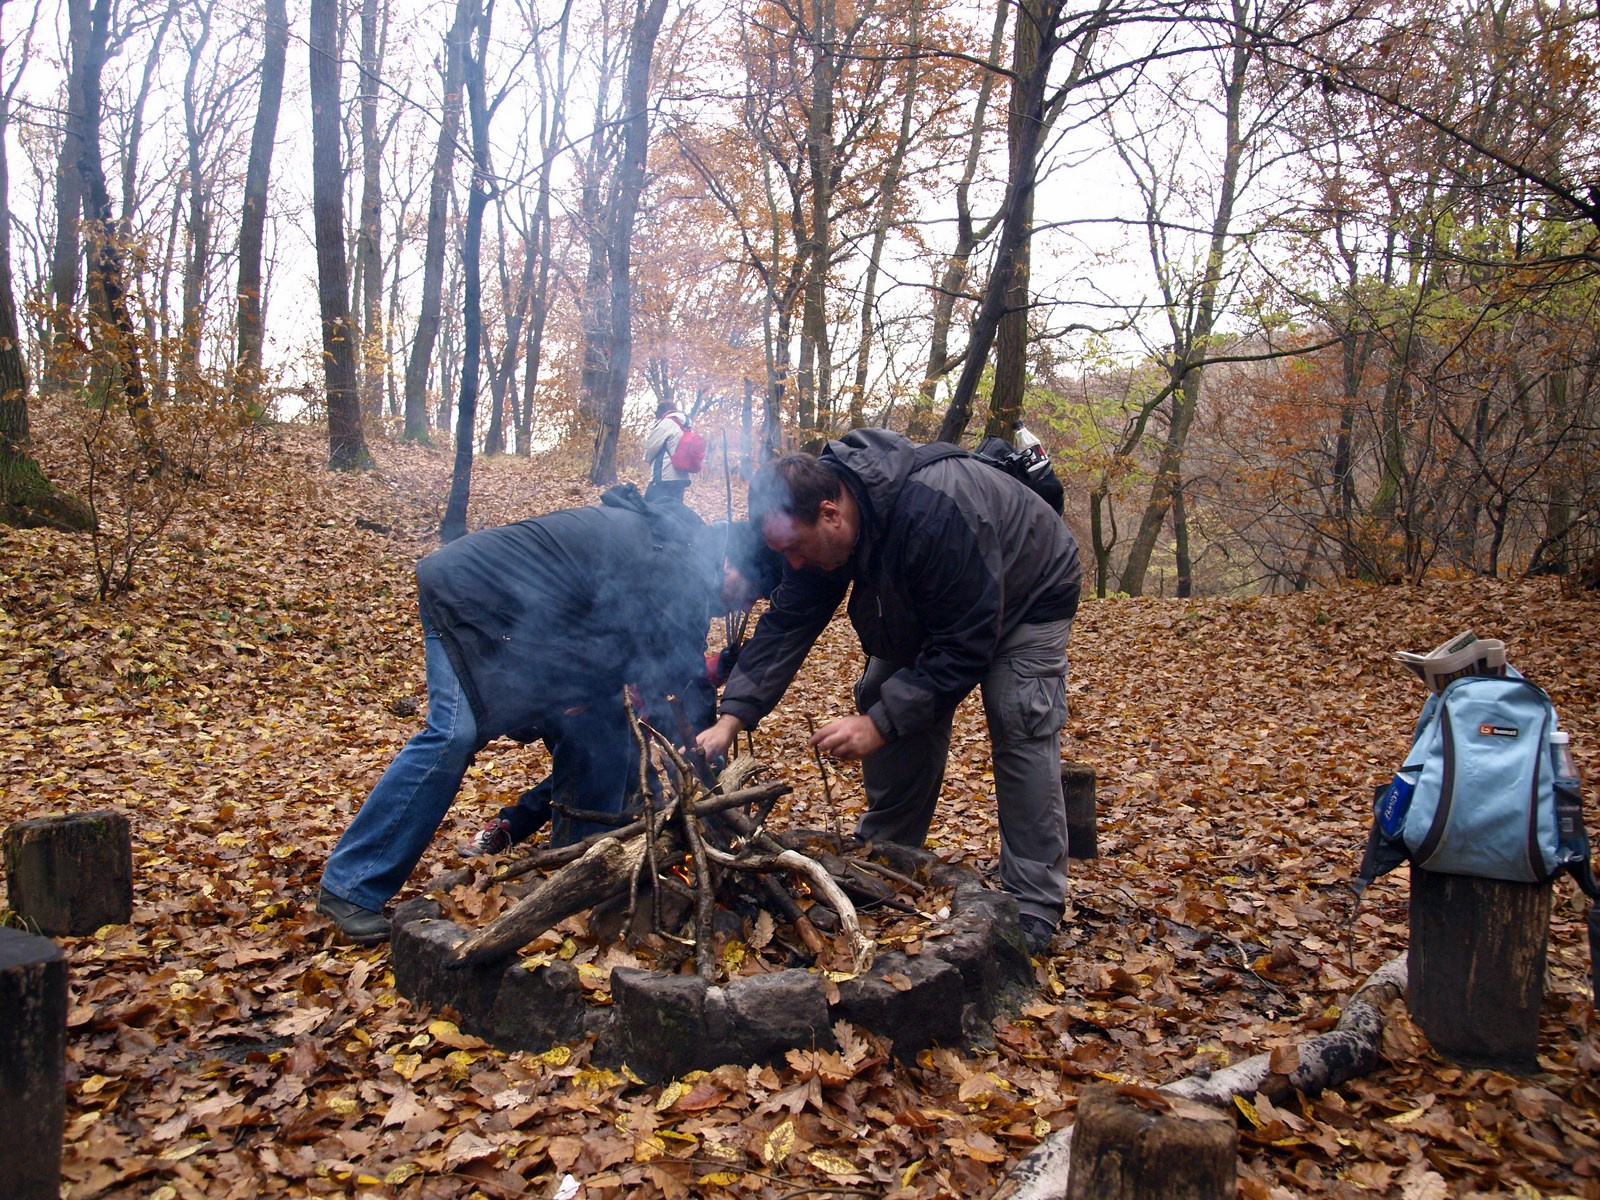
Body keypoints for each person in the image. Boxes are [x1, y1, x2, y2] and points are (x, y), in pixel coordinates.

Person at [316, 486, 781, 944]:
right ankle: (351, 886)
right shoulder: (677, 563)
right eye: (749, 592)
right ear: (728, 561)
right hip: (470, 599)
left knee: (606, 732)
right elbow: (679, 676)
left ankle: (575, 873)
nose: (742, 606)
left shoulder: (675, 550)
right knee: (453, 735)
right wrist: (711, 762)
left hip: (523, 625)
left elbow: (652, 662)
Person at [694, 429, 1082, 955]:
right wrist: (732, 716)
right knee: (883, 689)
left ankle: (1034, 903)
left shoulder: (932, 512)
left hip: (1029, 590)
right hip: (936, 598)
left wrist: (879, 726)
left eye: (795, 549)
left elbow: (966, 644)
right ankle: (889, 859)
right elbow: (788, 622)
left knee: (1017, 716)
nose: (795, 564)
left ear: (830, 513)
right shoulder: (826, 525)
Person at [644, 400, 694, 503]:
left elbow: (652, 447)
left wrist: (647, 458)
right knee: (673, 512)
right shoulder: (686, 426)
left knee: (649, 508)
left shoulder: (667, 423)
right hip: (681, 478)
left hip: (663, 477)